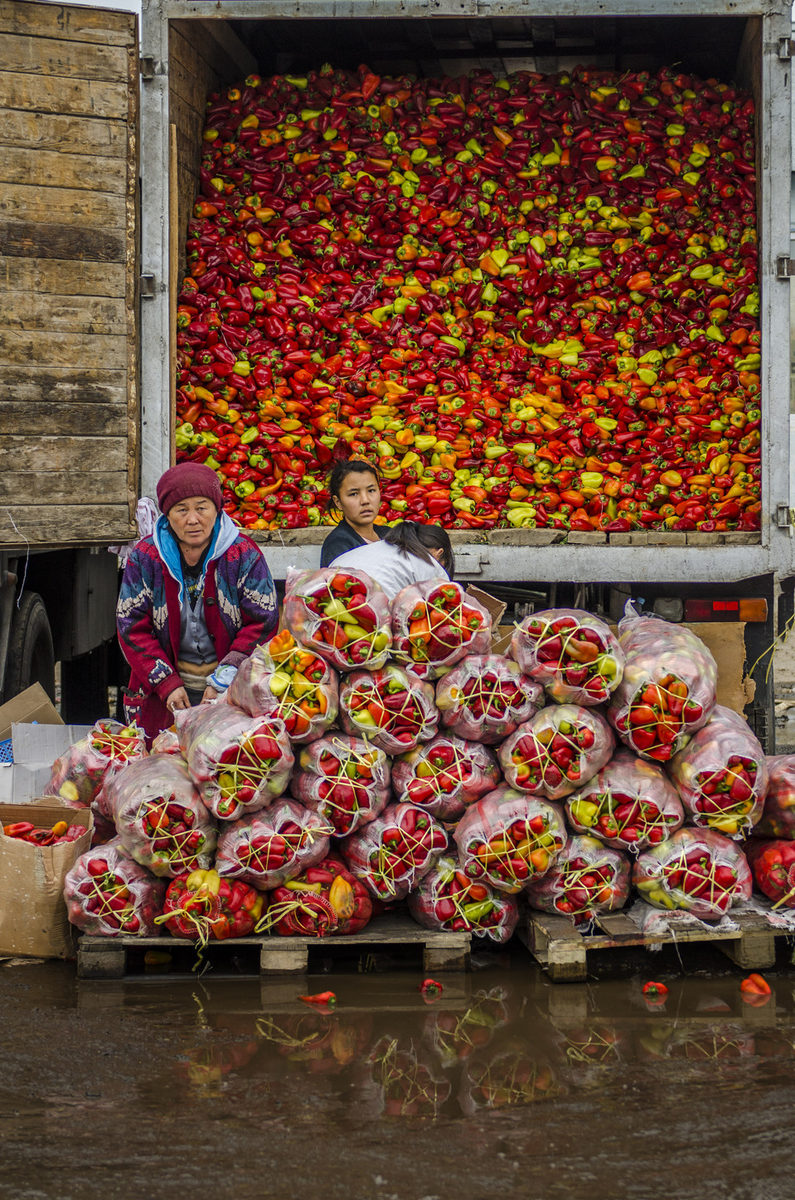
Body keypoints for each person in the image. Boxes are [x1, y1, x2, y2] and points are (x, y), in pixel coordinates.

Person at [117, 462, 278, 742]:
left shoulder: (242, 555)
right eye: (182, 510)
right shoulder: (145, 558)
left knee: (226, 765)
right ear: (167, 515)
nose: (193, 519)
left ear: (218, 509)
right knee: (163, 772)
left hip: (232, 691)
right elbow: (131, 626)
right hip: (165, 696)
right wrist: (165, 683)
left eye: (202, 507)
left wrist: (225, 677)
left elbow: (263, 621)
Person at [328, 521, 454, 600]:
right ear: (438, 553)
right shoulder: (429, 565)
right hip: (371, 621)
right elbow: (445, 608)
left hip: (323, 605)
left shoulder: (375, 548)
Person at [319, 460, 388, 567]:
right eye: (354, 494)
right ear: (338, 502)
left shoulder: (388, 534)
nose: (365, 500)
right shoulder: (338, 545)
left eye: (371, 490)